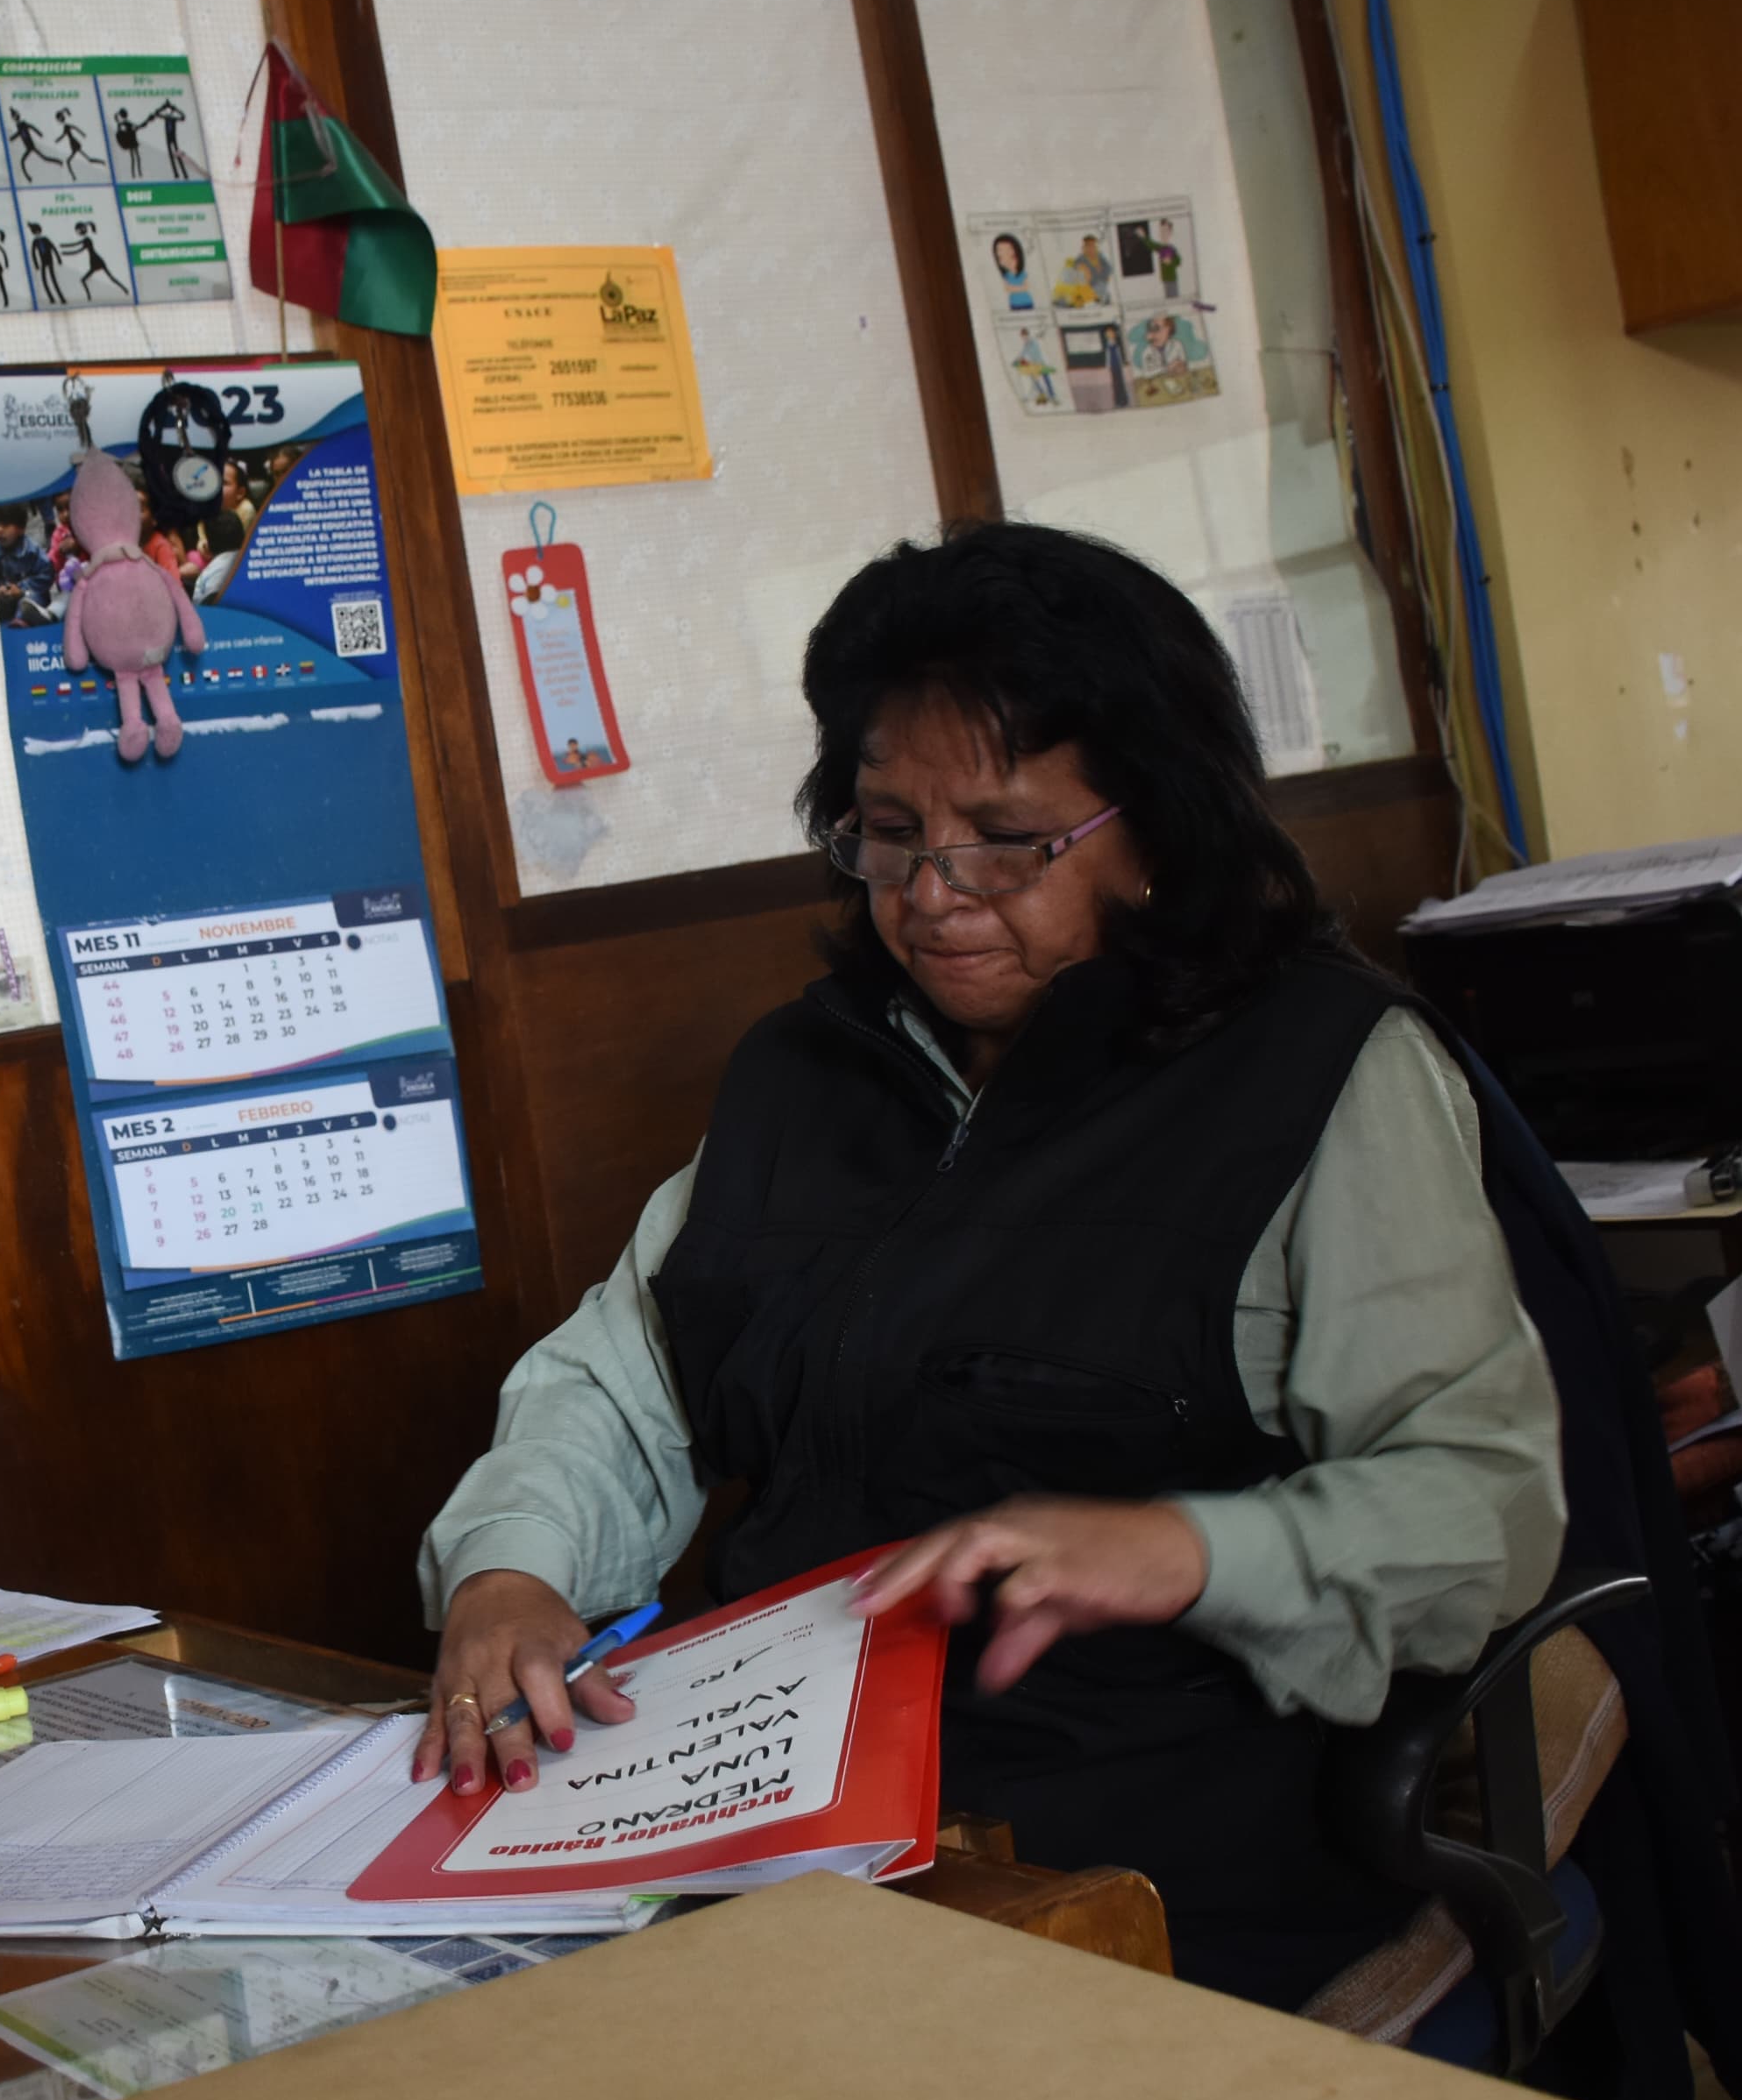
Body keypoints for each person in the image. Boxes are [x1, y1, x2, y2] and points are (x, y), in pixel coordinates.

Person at [409, 524, 1564, 2012]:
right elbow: (623, 1386)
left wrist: (1186, 1549)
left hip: (1135, 1855)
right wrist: (510, 1569)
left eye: (1009, 840)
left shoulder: (1322, 1076)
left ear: (1156, 834)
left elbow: (1483, 1506)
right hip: (776, 1809)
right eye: (891, 832)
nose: (936, 893)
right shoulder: (807, 1072)